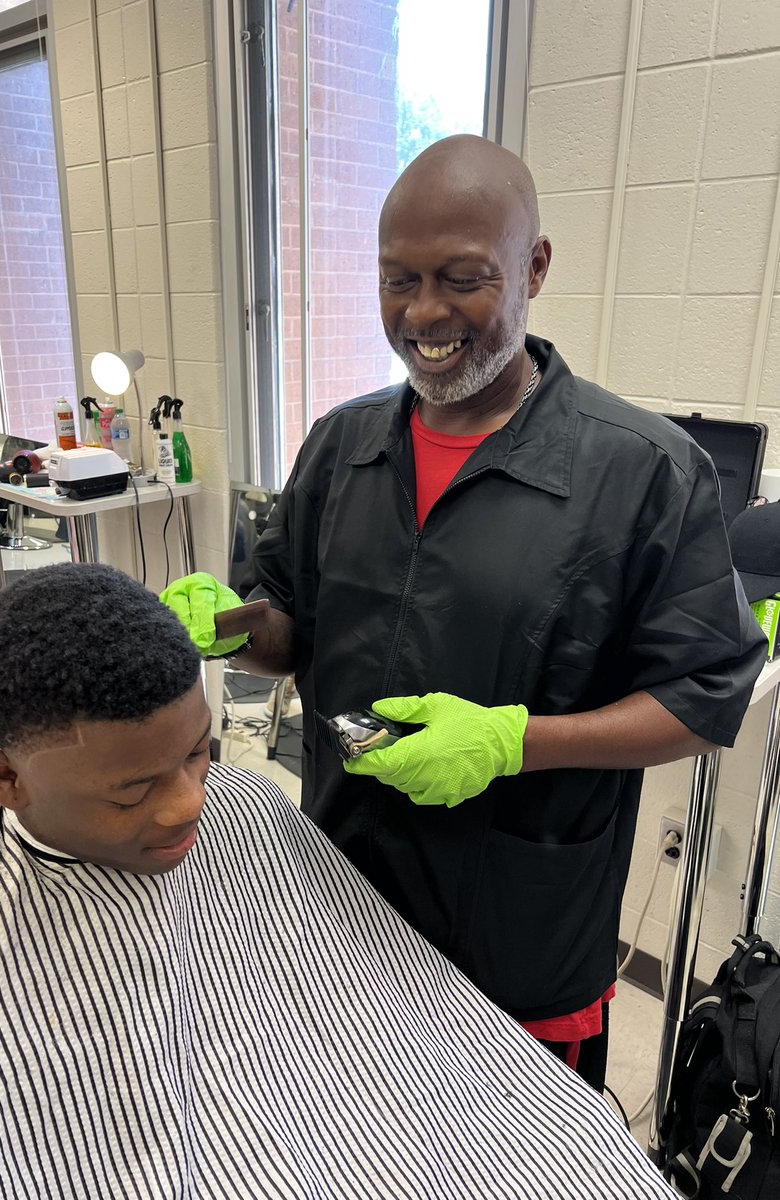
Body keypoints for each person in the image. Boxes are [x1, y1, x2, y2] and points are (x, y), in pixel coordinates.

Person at [161, 134, 766, 1090]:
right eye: (398, 280)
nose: (425, 313)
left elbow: (703, 703)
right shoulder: (341, 445)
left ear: (534, 266)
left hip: (517, 934)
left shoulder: (641, 472)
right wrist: (235, 625)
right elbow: (292, 625)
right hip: (344, 891)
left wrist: (509, 743)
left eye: (462, 278)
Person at [0, 562, 676, 1198]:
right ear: (4, 778)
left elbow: (401, 1010)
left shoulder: (246, 807)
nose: (189, 804)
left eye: (199, 754)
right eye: (134, 790)